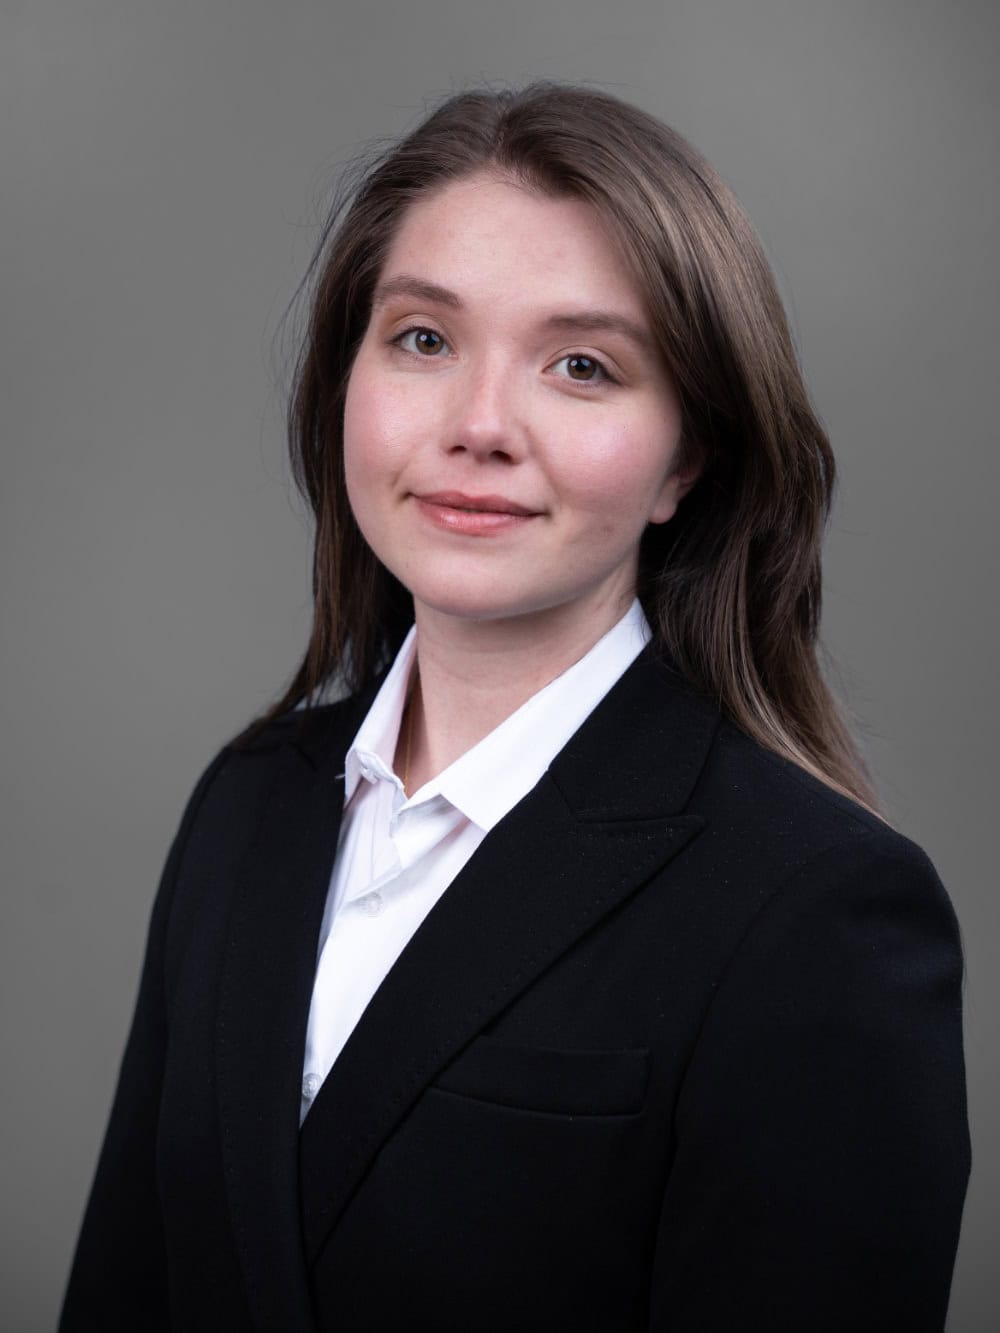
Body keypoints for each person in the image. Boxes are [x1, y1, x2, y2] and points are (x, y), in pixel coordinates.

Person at [60, 83, 970, 1332]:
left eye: (581, 366)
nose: (479, 426)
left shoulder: (818, 912)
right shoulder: (247, 804)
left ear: (684, 460)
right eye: (423, 340)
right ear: (346, 380)